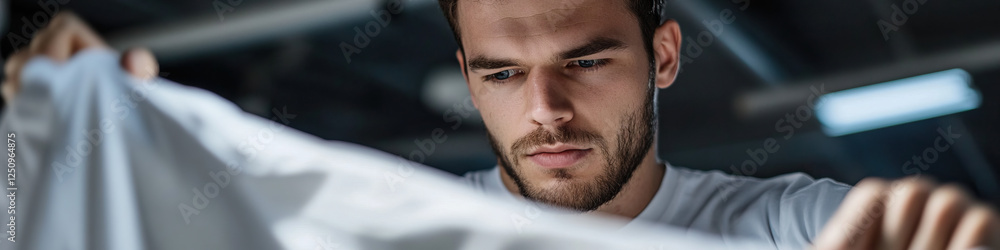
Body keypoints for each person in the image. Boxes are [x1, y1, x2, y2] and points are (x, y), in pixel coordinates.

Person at [2, 1, 998, 249]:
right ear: (464, 76)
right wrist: (91, 141)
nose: (544, 112)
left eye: (585, 61)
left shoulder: (785, 224)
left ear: (662, 56)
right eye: (502, 73)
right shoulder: (407, 224)